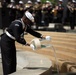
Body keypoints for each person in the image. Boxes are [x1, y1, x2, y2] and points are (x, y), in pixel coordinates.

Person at [1, 11, 45, 75]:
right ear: (25, 19)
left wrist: (41, 36)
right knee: (8, 60)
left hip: (10, 42)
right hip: (5, 42)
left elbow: (31, 31)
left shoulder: (24, 24)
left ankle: (13, 73)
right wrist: (26, 43)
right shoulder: (17, 24)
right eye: (29, 21)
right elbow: (17, 37)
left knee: (13, 59)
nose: (29, 23)